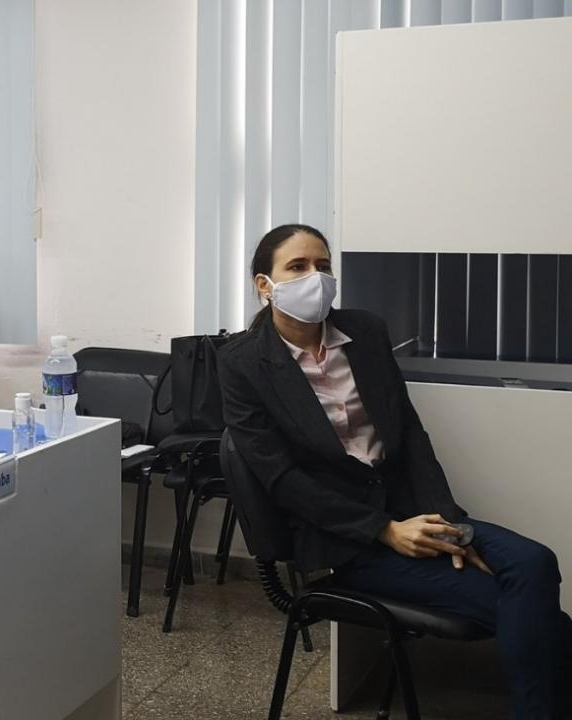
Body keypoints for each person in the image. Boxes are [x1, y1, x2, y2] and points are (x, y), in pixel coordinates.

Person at [218, 223, 570, 718]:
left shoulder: (365, 331)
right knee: (535, 615)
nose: (314, 277)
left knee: (535, 563)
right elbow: (283, 480)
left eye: (323, 265)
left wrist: (448, 525)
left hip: (414, 509)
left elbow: (409, 436)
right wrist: (383, 530)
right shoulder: (242, 363)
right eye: (297, 267)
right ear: (264, 284)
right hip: (345, 539)